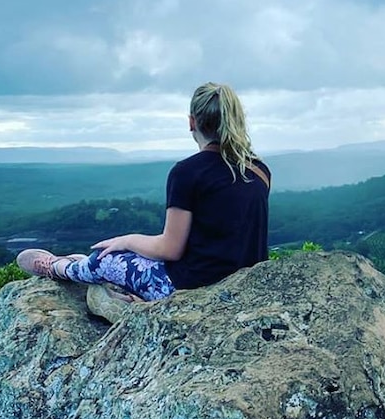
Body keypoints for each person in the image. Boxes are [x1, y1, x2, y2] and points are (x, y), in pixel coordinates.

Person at [16, 82, 270, 320]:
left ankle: (60, 268)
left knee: (107, 257)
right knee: (133, 253)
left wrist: (126, 240)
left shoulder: (188, 172)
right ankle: (92, 276)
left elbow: (171, 248)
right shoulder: (260, 170)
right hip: (242, 288)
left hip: (191, 288)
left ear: (192, 122)